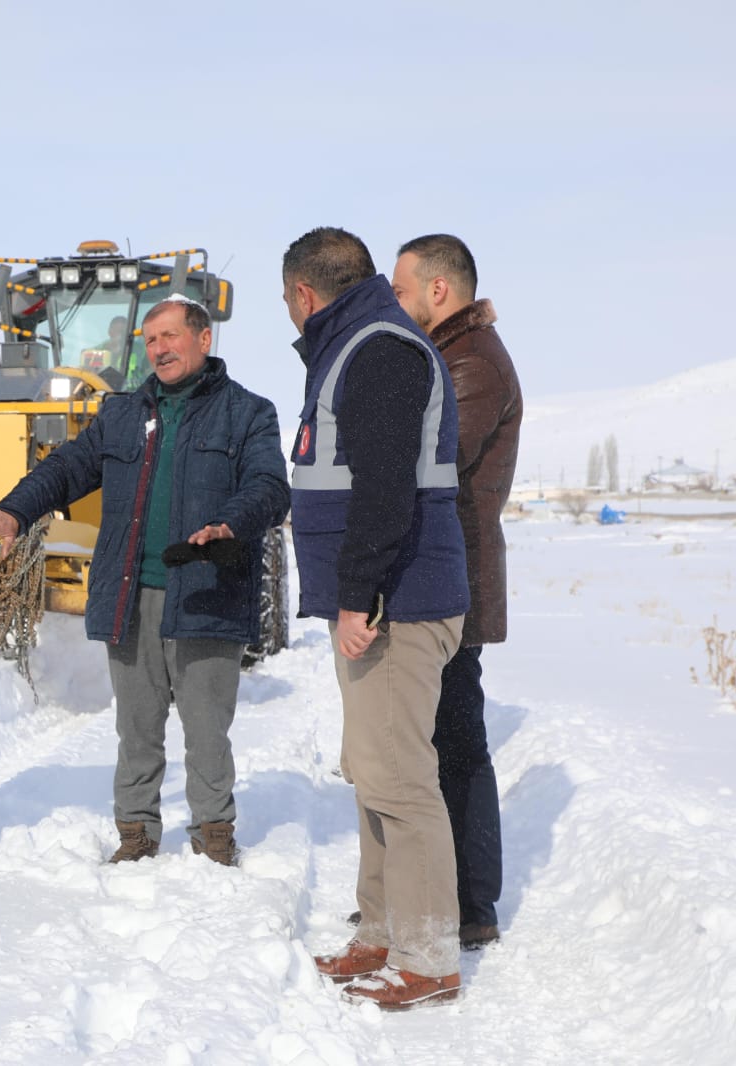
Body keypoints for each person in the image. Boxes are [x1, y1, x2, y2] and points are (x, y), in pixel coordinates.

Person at [0, 296, 290, 867]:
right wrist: (15, 512)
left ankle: (214, 829)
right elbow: (65, 469)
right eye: (150, 340)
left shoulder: (248, 413)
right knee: (136, 727)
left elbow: (269, 484)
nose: (158, 349)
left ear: (203, 339)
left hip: (208, 591)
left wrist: (232, 523)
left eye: (169, 336)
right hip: (131, 594)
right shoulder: (121, 413)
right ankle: (136, 829)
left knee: (207, 728)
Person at [282, 227, 469, 1010]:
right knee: (374, 777)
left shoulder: (377, 351)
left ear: (301, 296)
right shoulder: (361, 343)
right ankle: (384, 932)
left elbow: (386, 488)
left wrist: (358, 594)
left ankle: (428, 957)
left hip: (398, 600)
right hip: (380, 598)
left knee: (401, 781)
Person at [391, 234, 522, 950]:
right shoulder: (452, 357)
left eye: (403, 291)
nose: (396, 304)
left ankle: (472, 902)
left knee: (456, 742)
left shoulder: (473, 365)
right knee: (434, 739)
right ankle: (445, 893)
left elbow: (431, 461)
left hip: (454, 581)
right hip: (440, 576)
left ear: (439, 290)